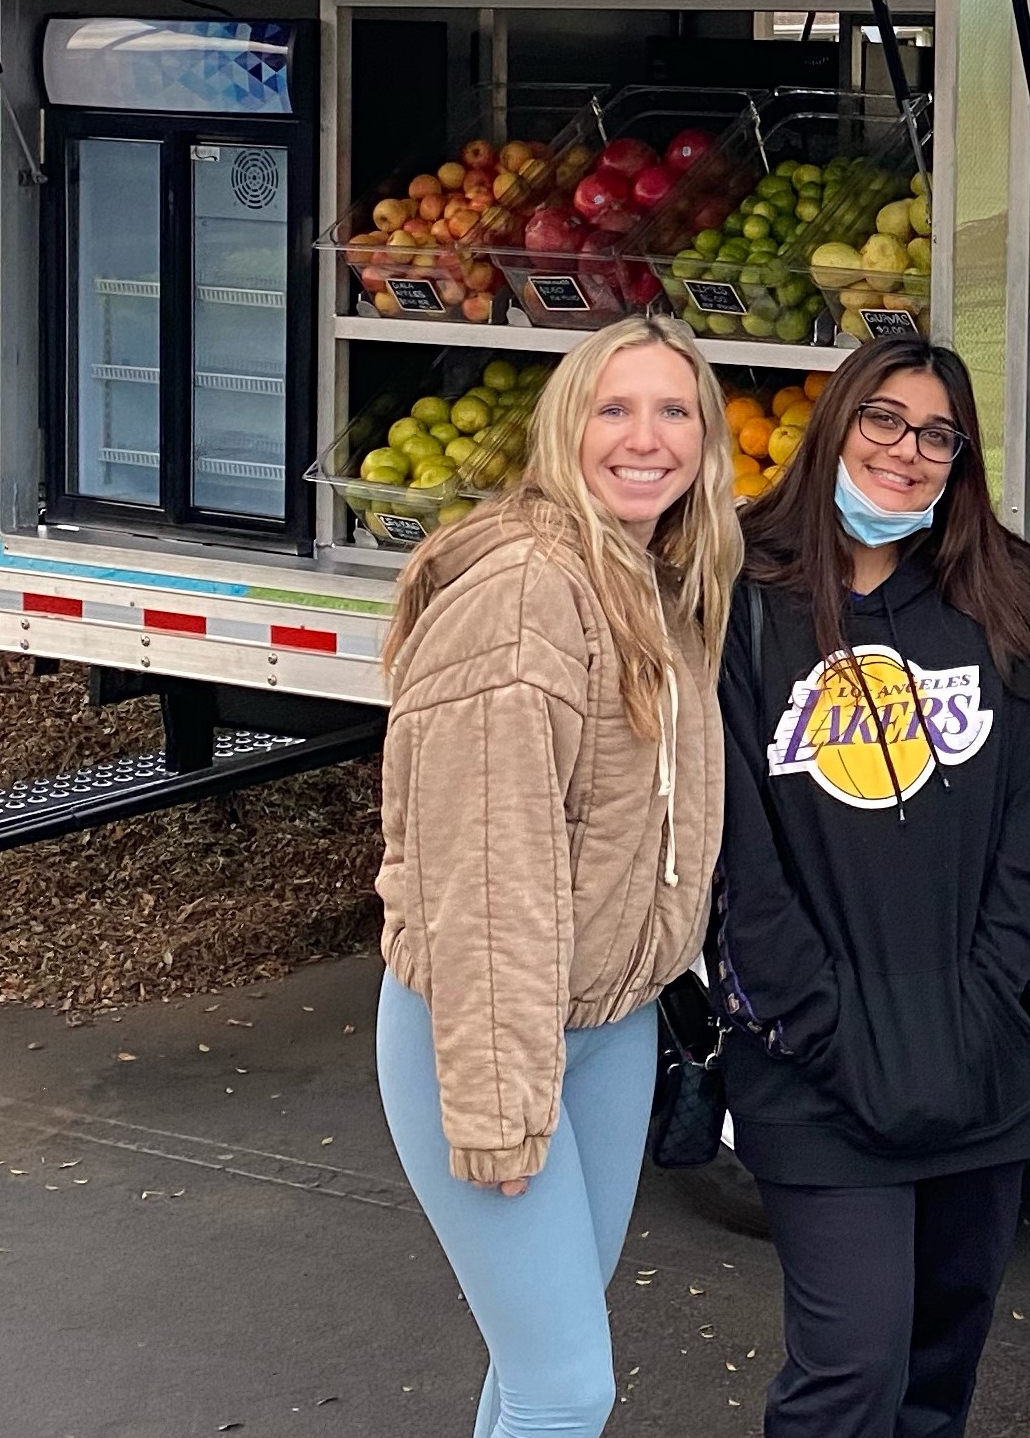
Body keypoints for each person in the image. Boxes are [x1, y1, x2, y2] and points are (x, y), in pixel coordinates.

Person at [373, 312, 741, 1438]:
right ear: (563, 429)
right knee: (567, 1384)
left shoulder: (651, 578)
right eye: (613, 408)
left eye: (674, 409)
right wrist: (498, 1100)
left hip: (610, 1025)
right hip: (491, 1031)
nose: (647, 436)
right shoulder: (527, 590)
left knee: (540, 1359)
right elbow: (487, 872)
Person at [714, 336, 1030, 1438]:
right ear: (833, 425)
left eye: (936, 433)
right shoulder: (736, 599)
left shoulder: (1008, 596)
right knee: (853, 1369)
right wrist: (822, 1026)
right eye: (882, 419)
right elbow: (740, 857)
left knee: (938, 1369)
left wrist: (990, 1017)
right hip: (814, 1067)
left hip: (983, 1062)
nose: (907, 451)